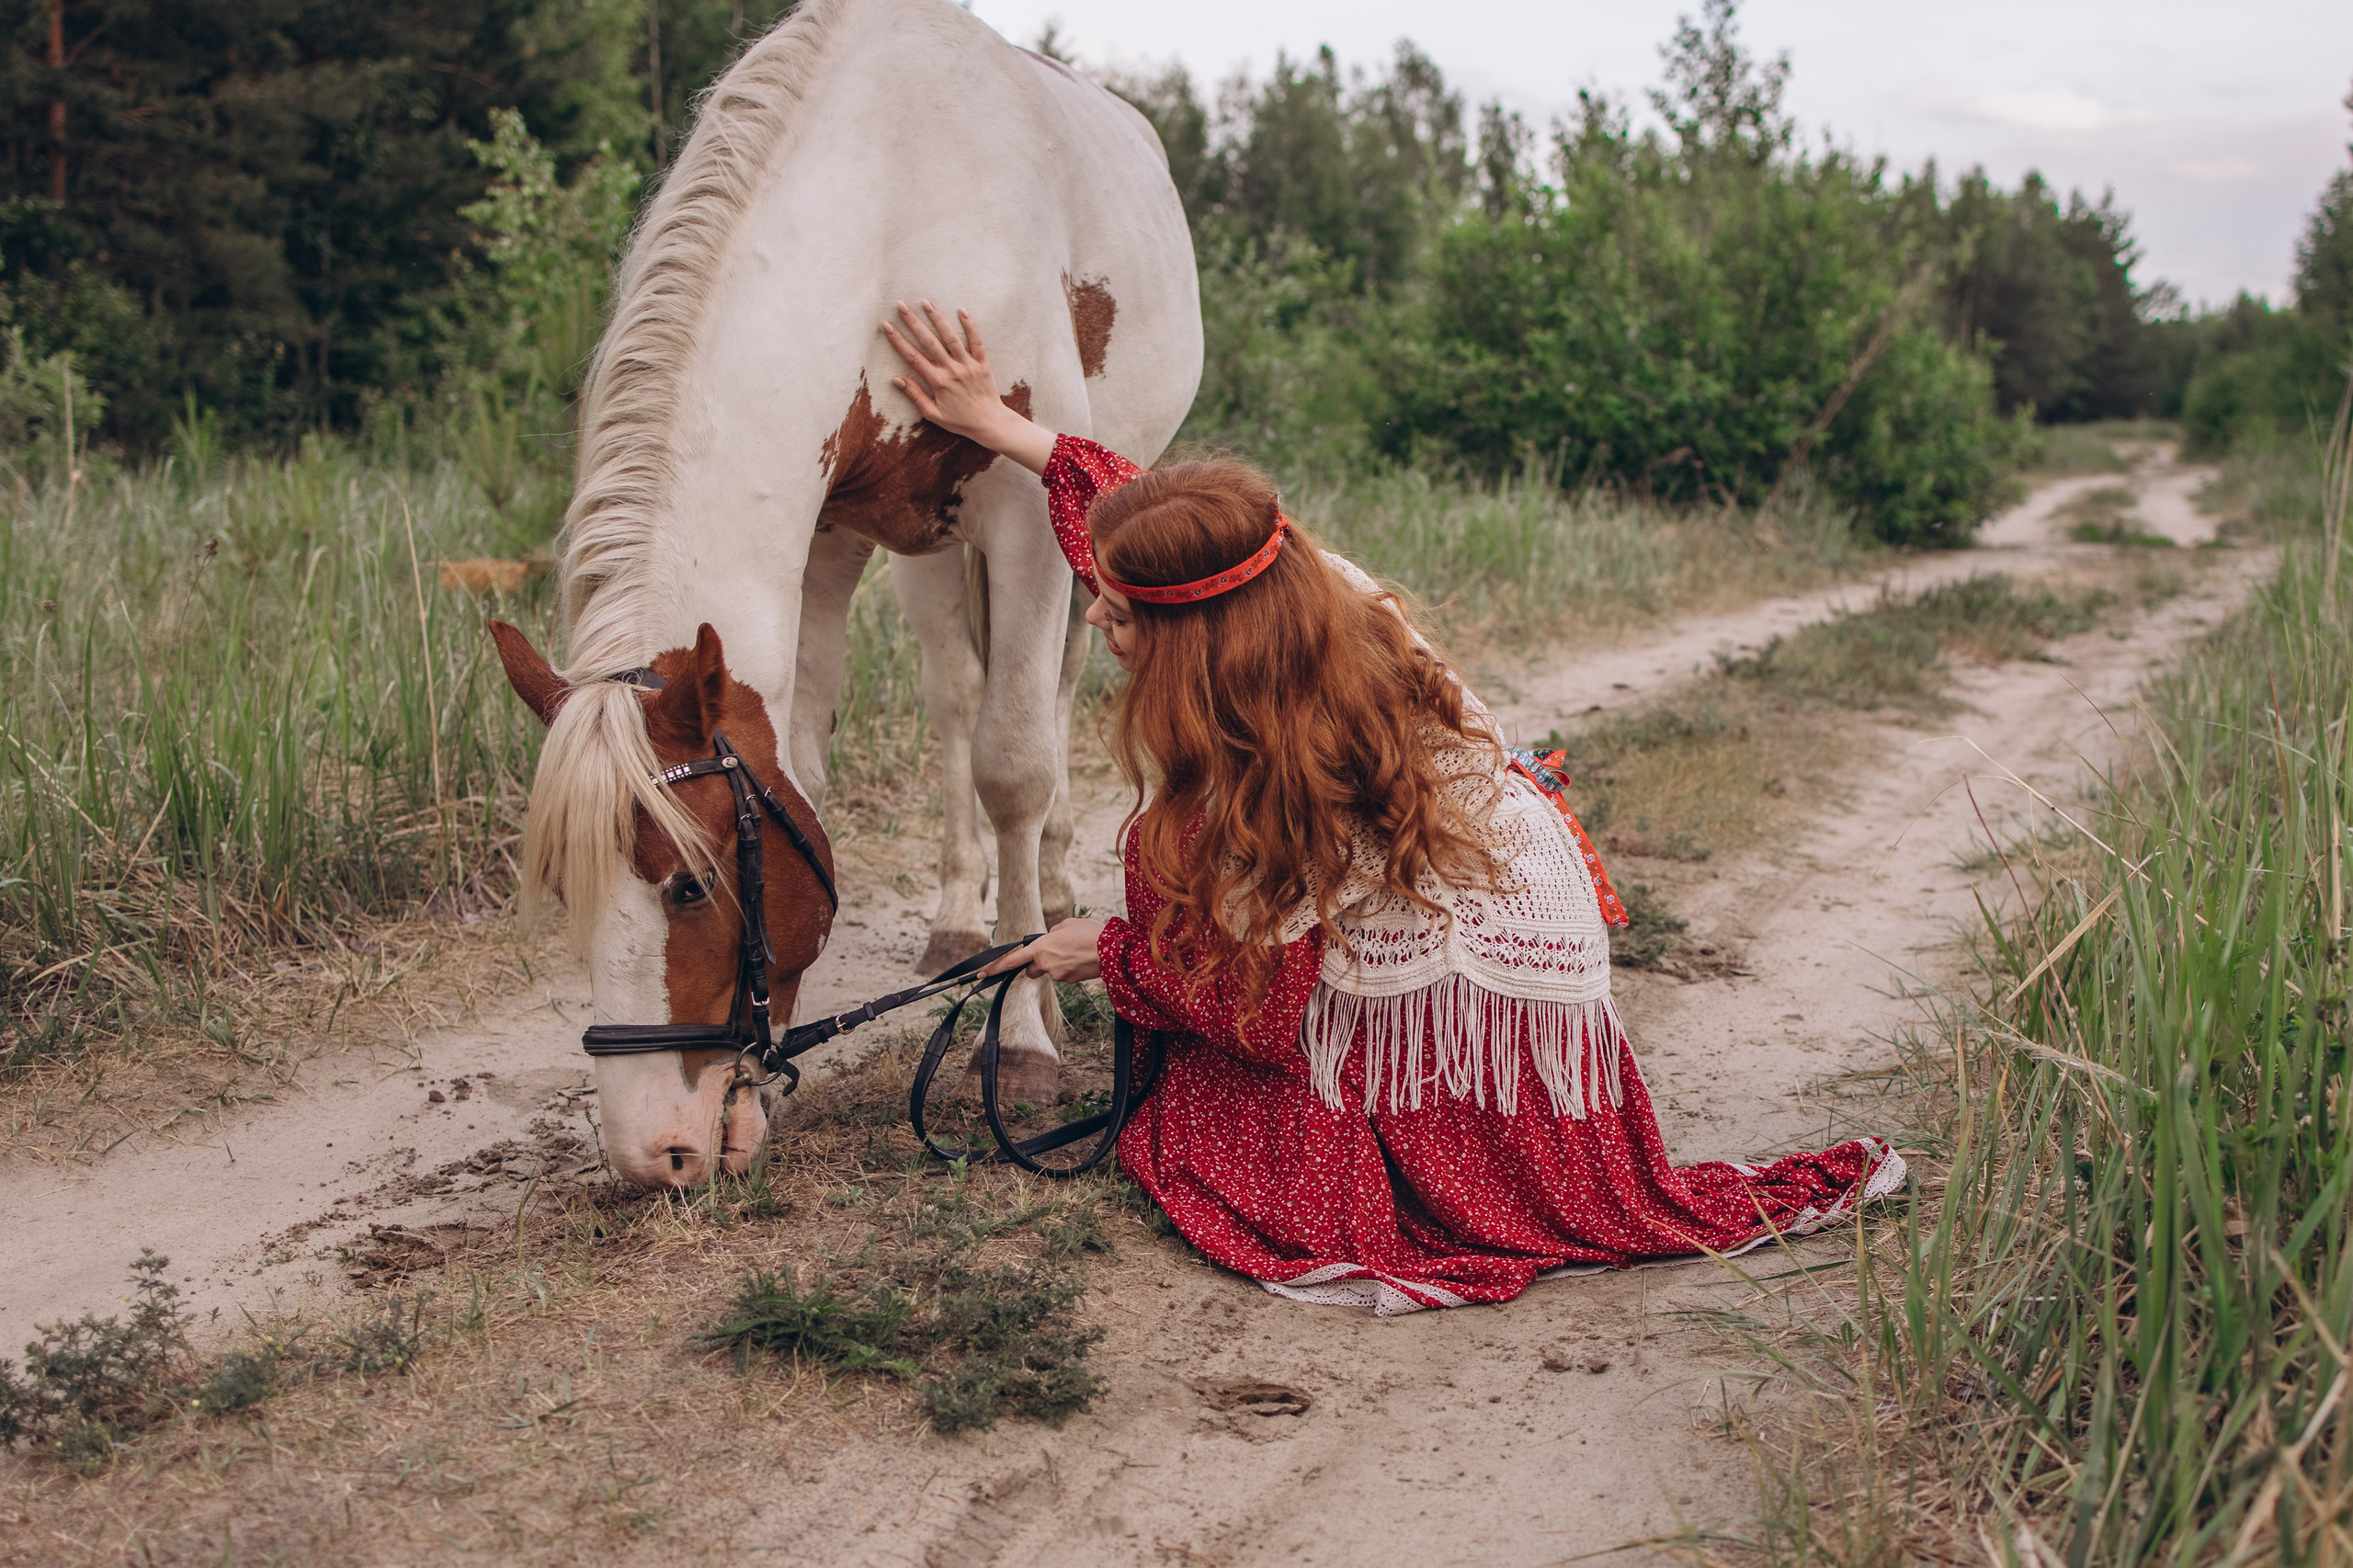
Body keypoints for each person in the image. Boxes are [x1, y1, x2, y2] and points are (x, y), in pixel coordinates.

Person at [881, 301, 1904, 1315]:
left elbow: (1260, 1017)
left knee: (1206, 1132)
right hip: (1473, 989)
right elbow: (1135, 504)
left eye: (1116, 608)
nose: (1095, 614)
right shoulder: (1287, 587)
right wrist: (996, 425)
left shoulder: (1286, 760)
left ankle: (1416, 1142)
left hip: (1454, 1048)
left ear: (1198, 634)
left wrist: (1102, 953)